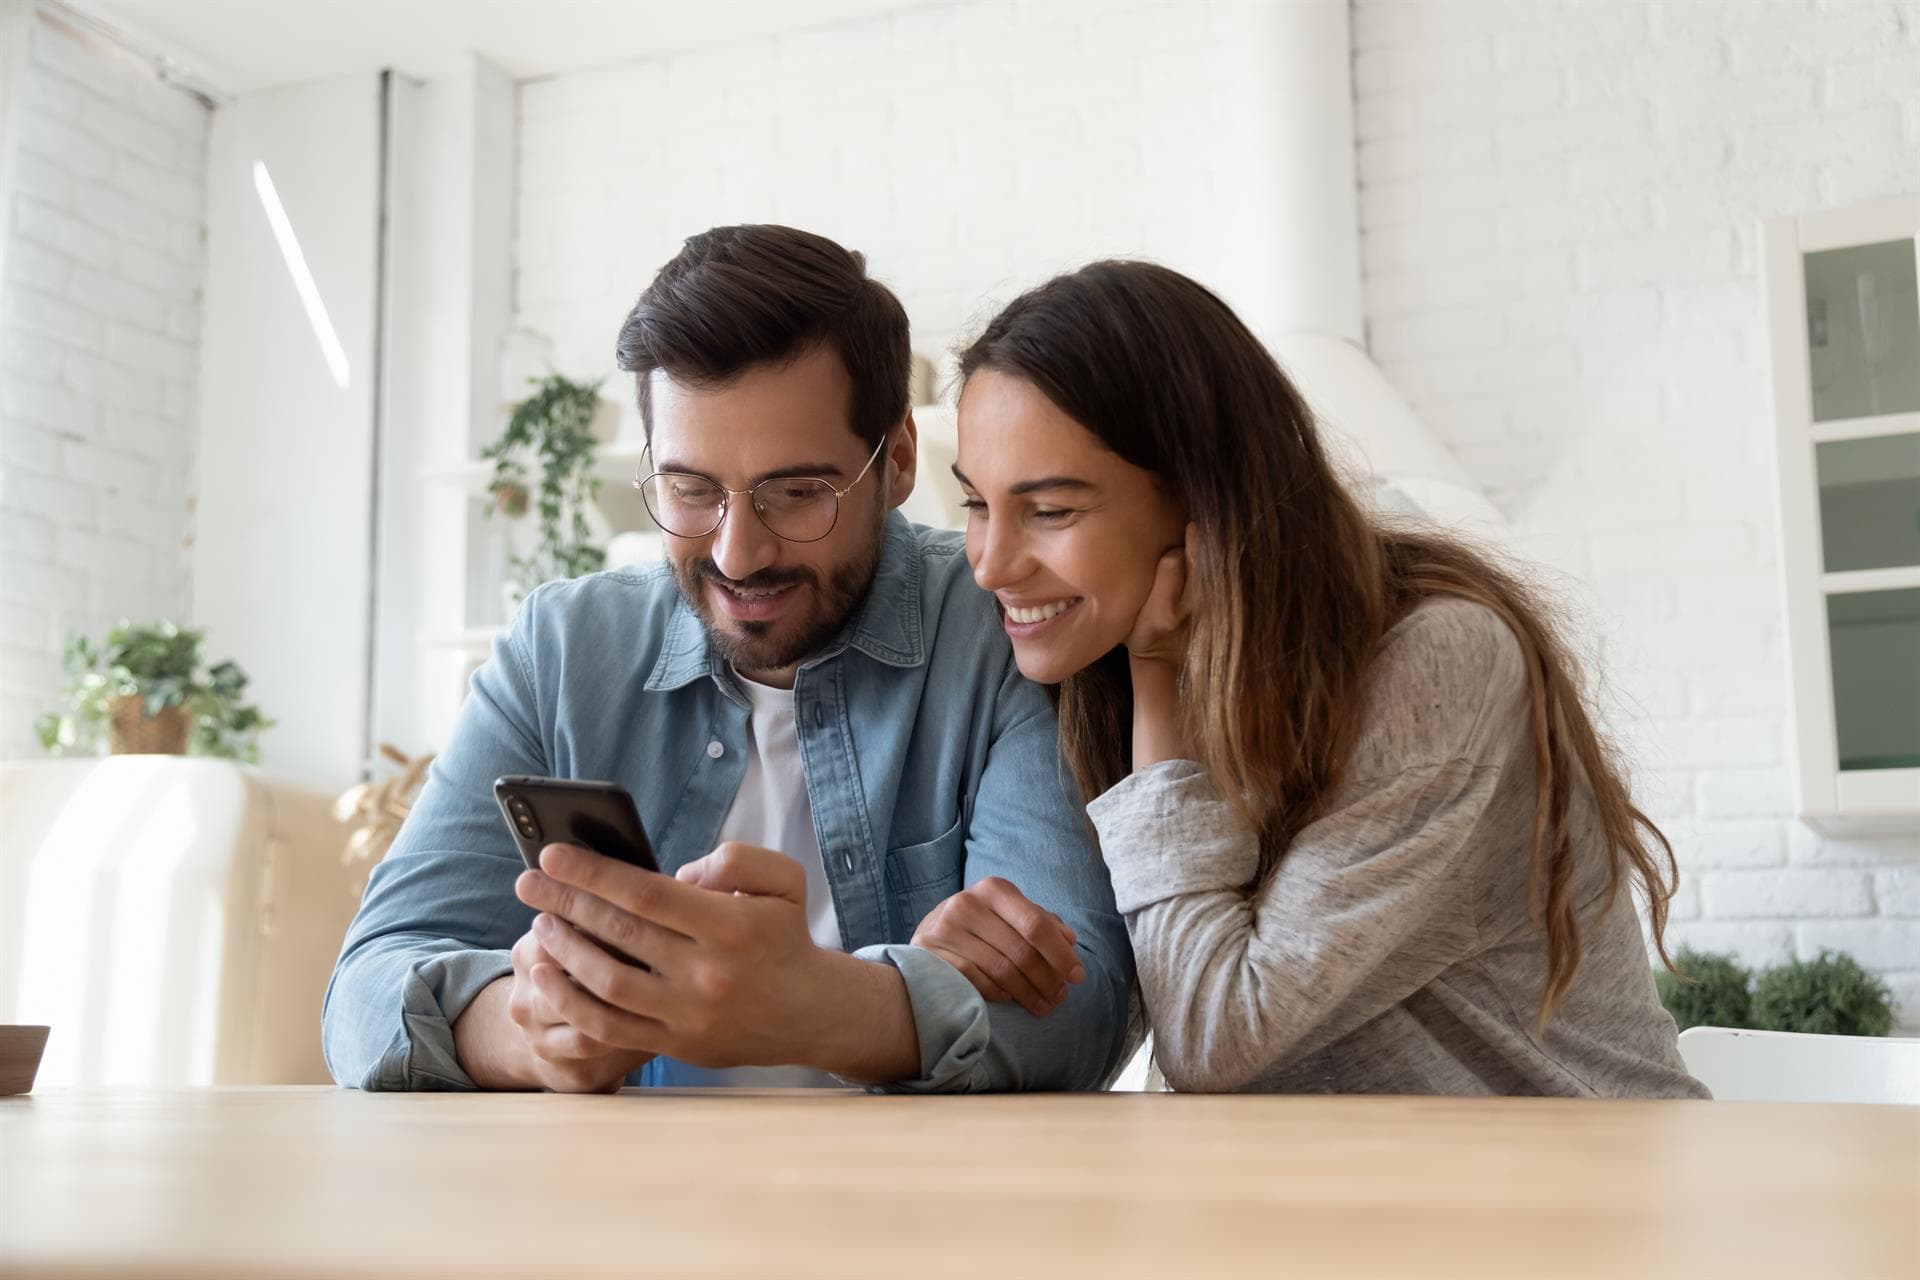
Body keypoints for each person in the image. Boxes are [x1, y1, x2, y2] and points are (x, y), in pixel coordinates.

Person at [323, 225, 1134, 1093]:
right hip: (617, 1209)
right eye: (691, 490)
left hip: (907, 1212)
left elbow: (1082, 1013)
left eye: (797, 493)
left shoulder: (1001, 628)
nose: (738, 553)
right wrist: (533, 1034)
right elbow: (362, 996)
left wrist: (817, 1005)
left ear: (897, 461)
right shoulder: (560, 651)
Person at [947, 259, 1706, 1097]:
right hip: (1349, 1202)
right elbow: (1153, 994)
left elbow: (1215, 1039)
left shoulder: (1438, 660)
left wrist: (1160, 684)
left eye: (1050, 511)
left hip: (1583, 1197)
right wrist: (975, 963)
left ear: (1203, 499)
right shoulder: (1101, 674)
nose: (988, 564)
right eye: (977, 504)